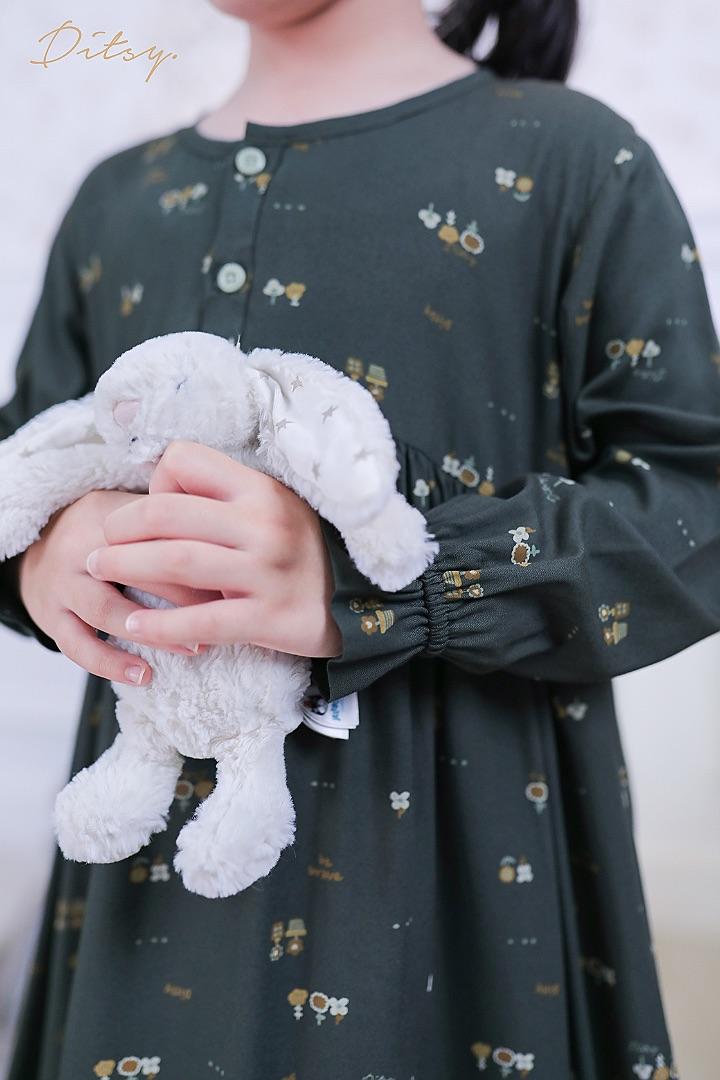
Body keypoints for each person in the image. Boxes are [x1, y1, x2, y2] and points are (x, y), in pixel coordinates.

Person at [2, 0, 719, 1076]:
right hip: (145, 928)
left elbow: (694, 509)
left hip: (453, 914)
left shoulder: (573, 162)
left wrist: (378, 580)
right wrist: (46, 552)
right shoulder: (119, 203)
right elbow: (26, 458)